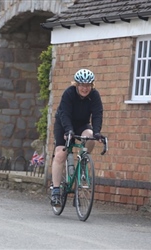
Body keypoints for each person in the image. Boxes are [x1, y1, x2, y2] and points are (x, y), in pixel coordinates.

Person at [51, 68, 103, 206]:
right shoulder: (69, 93)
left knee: (90, 136)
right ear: (76, 85)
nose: (85, 88)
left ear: (92, 85)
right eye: (82, 85)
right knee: (61, 154)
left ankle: (83, 159)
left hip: (82, 124)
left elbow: (97, 114)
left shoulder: (95, 96)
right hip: (64, 123)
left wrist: (97, 132)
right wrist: (68, 131)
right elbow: (65, 114)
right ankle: (56, 191)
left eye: (88, 85)